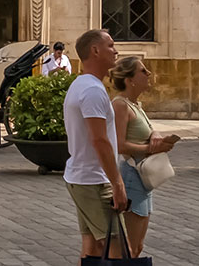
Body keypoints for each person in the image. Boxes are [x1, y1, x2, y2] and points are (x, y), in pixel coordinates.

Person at [63, 29, 127, 261]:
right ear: (95, 50)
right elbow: (100, 140)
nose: (116, 50)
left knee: (93, 248)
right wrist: (118, 184)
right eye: (110, 45)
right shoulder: (91, 90)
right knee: (116, 248)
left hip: (83, 178)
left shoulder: (82, 85)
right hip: (94, 181)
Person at [110, 54, 179, 257]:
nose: (148, 73)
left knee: (137, 246)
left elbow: (147, 132)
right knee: (129, 248)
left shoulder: (136, 105)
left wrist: (156, 135)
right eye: (142, 70)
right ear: (130, 80)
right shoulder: (120, 105)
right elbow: (120, 145)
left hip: (143, 180)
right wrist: (152, 149)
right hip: (132, 176)